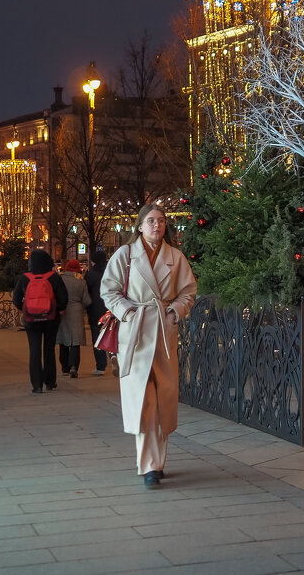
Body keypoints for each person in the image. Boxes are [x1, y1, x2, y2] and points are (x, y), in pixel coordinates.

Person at [101, 204, 196, 489]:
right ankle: (150, 466)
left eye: (162, 221)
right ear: (140, 226)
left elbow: (189, 291)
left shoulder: (175, 258)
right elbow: (109, 290)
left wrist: (173, 312)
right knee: (144, 402)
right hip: (136, 336)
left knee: (163, 399)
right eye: (151, 221)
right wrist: (128, 312)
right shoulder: (125, 255)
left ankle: (155, 464)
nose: (157, 225)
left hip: (164, 335)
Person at [13, 249, 68, 394]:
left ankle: (37, 385)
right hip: (51, 318)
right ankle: (50, 382)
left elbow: (16, 299)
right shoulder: (54, 277)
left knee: (34, 350)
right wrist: (58, 309)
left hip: (31, 319)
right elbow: (63, 298)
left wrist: (26, 308)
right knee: (49, 349)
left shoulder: (25, 278)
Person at [55, 259, 91, 378]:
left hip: (62, 311)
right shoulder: (81, 281)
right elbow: (87, 300)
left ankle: (64, 367)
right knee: (75, 341)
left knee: (63, 340)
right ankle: (74, 367)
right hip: (76, 311)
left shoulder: (60, 278)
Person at [84, 249, 110, 376]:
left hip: (95, 311)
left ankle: (101, 366)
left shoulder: (91, 275)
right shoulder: (111, 271)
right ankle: (115, 359)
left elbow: (86, 293)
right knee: (113, 335)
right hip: (112, 309)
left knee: (97, 338)